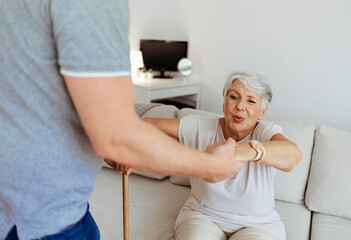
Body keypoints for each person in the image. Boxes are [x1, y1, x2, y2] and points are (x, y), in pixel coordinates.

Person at [0, 1, 242, 239]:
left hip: (38, 206)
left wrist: (108, 135)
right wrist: (211, 167)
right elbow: (118, 138)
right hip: (39, 217)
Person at [141, 72, 303, 240]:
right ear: (224, 104)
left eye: (251, 101)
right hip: (202, 216)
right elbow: (147, 125)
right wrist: (129, 152)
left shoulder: (266, 132)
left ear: (262, 112)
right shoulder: (199, 125)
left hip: (258, 224)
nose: (240, 106)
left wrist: (236, 150)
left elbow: (293, 156)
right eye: (234, 97)